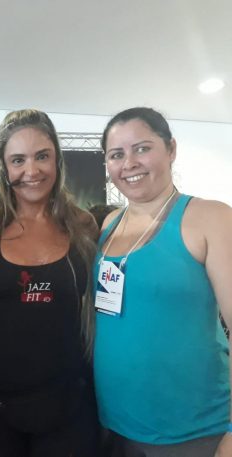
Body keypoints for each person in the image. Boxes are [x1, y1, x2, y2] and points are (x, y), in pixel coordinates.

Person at [94, 107, 232, 457]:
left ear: (171, 149)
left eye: (142, 148)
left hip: (193, 430)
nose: (129, 163)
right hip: (114, 425)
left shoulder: (210, 218)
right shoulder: (109, 225)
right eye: (116, 154)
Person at [0, 109, 100, 457]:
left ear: (57, 159)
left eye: (42, 156)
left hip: (69, 404)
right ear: (4, 168)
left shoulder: (83, 226)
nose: (32, 170)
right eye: (18, 160)